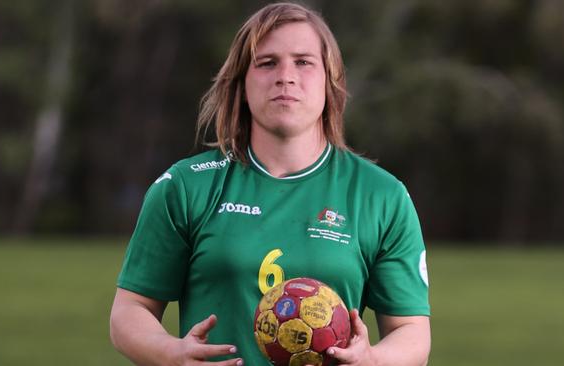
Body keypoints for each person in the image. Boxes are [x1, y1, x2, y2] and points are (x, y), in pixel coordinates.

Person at [109, 2, 431, 366]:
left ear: (331, 79)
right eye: (267, 63)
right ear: (241, 83)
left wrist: (371, 359)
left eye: (304, 62)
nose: (286, 76)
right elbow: (128, 312)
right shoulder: (184, 187)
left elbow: (411, 332)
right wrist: (171, 353)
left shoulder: (382, 196)